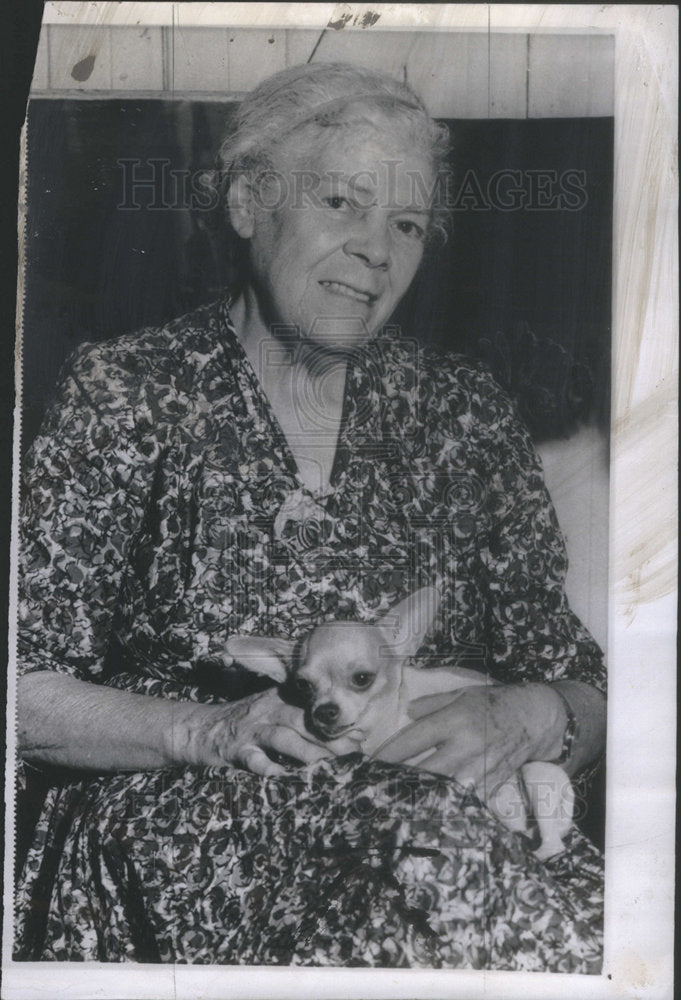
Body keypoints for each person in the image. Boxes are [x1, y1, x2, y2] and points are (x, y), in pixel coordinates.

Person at [15, 62, 606, 970]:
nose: (378, 250)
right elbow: (22, 689)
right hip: (197, 831)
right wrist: (205, 731)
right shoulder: (129, 390)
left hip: (458, 820)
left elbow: (585, 688)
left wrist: (530, 715)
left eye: (406, 224)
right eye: (342, 202)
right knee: (428, 861)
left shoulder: (462, 412)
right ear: (250, 203)